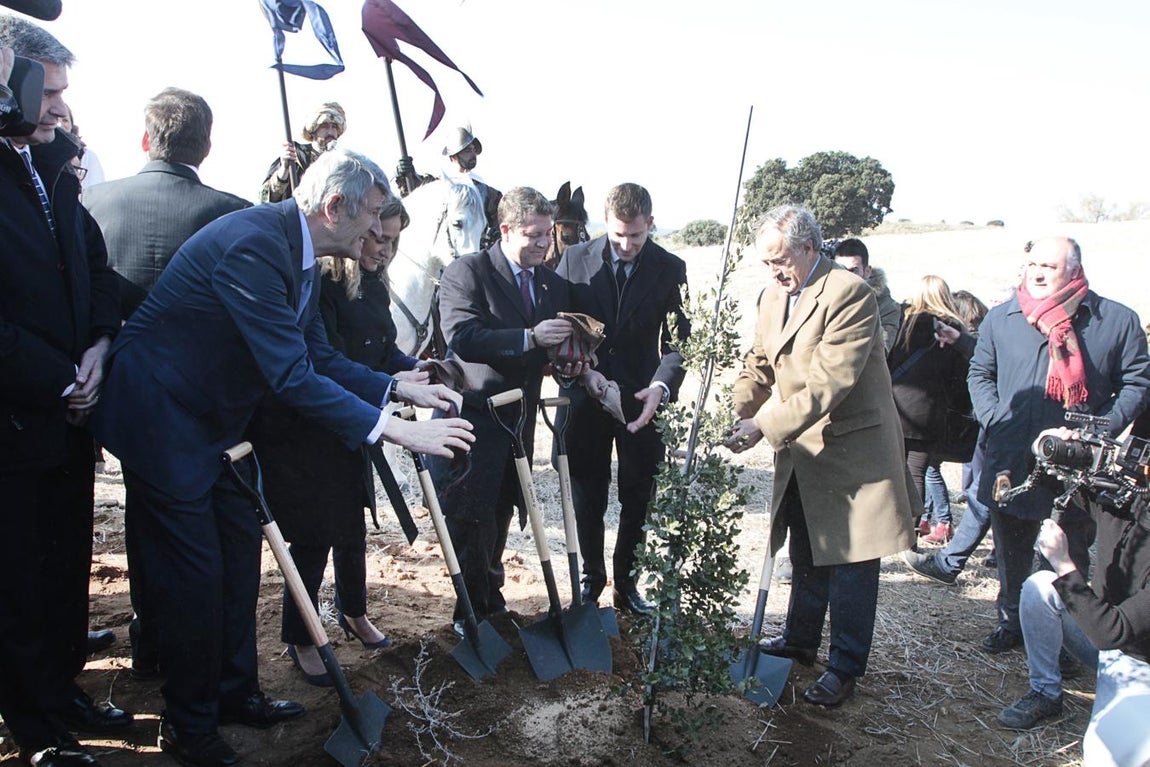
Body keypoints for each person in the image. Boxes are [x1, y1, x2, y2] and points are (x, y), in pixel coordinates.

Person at [91, 148, 474, 767]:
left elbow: (317, 354)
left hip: (214, 420)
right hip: (161, 416)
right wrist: (393, 431)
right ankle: (188, 727)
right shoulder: (255, 246)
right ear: (334, 208)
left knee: (239, 553)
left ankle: (236, 692)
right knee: (195, 573)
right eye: (373, 215)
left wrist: (396, 386)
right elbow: (292, 376)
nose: (380, 230)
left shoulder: (299, 253)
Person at [725, 204, 917, 707]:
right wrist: (734, 408)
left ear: (810, 248)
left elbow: (827, 383)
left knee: (852, 563)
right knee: (806, 549)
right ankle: (800, 640)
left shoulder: (850, 294)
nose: (774, 272)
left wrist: (762, 425)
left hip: (853, 452)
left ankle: (845, 666)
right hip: (805, 449)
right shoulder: (772, 295)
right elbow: (761, 363)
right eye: (766, 263)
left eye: (782, 260)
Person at [0, 17, 126, 767]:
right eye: (47, 91)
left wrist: (99, 350)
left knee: (62, 568)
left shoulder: (50, 169)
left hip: (69, 418)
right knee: (16, 580)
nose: (57, 107)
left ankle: (61, 691)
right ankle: (35, 727)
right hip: (15, 424)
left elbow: (95, 272)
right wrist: (58, 377)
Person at [248, 198, 422, 685]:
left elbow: (383, 351)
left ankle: (353, 610)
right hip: (310, 422)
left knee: (351, 524)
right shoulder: (321, 285)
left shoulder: (373, 286)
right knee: (313, 531)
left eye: (392, 241)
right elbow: (323, 359)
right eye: (376, 237)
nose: (383, 249)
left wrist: (416, 370)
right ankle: (300, 637)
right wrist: (394, 387)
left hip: (353, 419)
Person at [964, 236, 1149, 654]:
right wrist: (996, 418)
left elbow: (1138, 381)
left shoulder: (1114, 321)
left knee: (1069, 551)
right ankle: (1011, 622)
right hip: (1012, 455)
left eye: (1049, 265)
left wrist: (1101, 429)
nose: (1038, 273)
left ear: (1075, 269)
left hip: (1078, 465)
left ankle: (1065, 638)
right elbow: (979, 373)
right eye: (1032, 265)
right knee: (1010, 548)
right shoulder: (1002, 318)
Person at [429, 186, 579, 634]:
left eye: (547, 235)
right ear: (506, 229)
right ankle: (469, 614)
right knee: (470, 514)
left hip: (520, 420)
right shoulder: (467, 273)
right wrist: (529, 338)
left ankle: (492, 602)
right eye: (533, 235)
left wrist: (568, 359)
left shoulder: (551, 283)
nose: (542, 244)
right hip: (474, 418)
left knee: (502, 509)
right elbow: (463, 336)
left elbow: (557, 346)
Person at [555, 182, 690, 613]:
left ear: (650, 224)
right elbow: (556, 327)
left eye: (636, 235)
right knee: (585, 495)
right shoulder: (574, 260)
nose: (627, 245)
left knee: (638, 496)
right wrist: (580, 368)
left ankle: (627, 587)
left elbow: (679, 344)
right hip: (582, 397)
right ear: (604, 225)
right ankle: (589, 582)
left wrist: (661, 387)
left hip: (641, 401)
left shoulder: (671, 269)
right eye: (617, 237)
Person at [995, 428, 1150, 767]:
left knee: (1104, 755)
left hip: (1140, 662)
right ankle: (1046, 692)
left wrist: (1064, 564)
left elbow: (1112, 632)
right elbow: (1047, 481)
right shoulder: (1131, 499)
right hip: (1108, 645)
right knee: (1039, 587)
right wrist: (1047, 445)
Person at [85, 87, 251, 319]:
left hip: (107, 350)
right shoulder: (238, 214)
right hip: (198, 351)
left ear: (146, 140)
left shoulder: (91, 201)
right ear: (207, 148)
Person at [887, 275, 976, 544]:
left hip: (896, 406)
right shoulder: (952, 329)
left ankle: (887, 530)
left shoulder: (903, 323)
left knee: (892, 470)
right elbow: (958, 377)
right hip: (928, 413)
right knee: (916, 473)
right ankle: (909, 535)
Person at [259, 101, 345, 203]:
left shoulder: (345, 163)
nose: (330, 132)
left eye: (334, 127)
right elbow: (265, 198)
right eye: (324, 126)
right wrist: (284, 170)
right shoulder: (295, 156)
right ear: (314, 129)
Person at [832, 238, 901, 353]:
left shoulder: (887, 307)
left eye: (853, 271)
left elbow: (880, 351)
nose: (846, 277)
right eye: (841, 270)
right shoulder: (824, 297)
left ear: (867, 272)